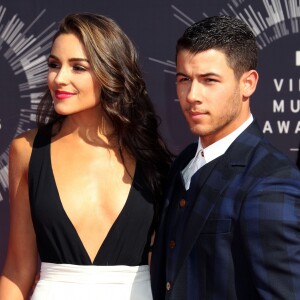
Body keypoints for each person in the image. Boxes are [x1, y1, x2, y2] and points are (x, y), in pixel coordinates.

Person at [0, 13, 172, 300]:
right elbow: (18, 267)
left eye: (78, 67)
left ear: (110, 73)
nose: (59, 78)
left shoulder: (149, 154)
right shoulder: (28, 150)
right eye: (54, 65)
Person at [150, 15, 300, 300]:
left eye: (209, 80)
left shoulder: (272, 182)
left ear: (248, 84)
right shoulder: (183, 163)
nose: (192, 95)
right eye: (184, 79)